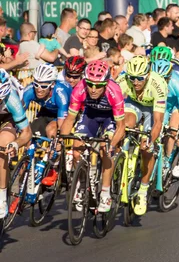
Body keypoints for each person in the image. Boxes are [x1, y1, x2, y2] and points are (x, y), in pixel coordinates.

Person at [59, 61, 125, 212]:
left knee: (105, 149)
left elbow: (121, 127)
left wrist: (112, 146)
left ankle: (106, 193)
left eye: (98, 85)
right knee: (77, 148)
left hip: (110, 118)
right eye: (90, 84)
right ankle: (82, 185)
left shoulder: (114, 90)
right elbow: (70, 119)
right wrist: (60, 141)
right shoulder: (79, 89)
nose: (93, 89)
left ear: (106, 82)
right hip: (91, 116)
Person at [117, 56, 168, 215]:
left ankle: (143, 191)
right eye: (132, 78)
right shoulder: (123, 80)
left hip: (153, 109)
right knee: (126, 124)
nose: (135, 82)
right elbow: (115, 109)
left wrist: (151, 141)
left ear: (147, 74)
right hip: (134, 104)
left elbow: (158, 122)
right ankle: (123, 155)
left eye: (140, 78)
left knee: (147, 150)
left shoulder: (158, 84)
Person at [0, 69, 32, 217]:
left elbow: (27, 133)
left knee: (3, 144)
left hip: (8, 117)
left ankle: (2, 197)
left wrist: (15, 144)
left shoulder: (11, 99)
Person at [151, 59, 179, 178]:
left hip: (177, 103)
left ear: (168, 76)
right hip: (163, 103)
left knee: (173, 130)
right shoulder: (151, 81)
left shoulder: (176, 83)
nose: (160, 82)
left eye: (163, 79)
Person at [22, 64, 71, 138]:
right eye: (36, 84)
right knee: (30, 135)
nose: (39, 89)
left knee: (51, 130)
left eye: (44, 86)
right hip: (47, 111)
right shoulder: (30, 90)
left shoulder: (60, 93)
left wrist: (60, 141)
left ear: (53, 84)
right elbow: (19, 112)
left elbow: (62, 124)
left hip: (66, 112)